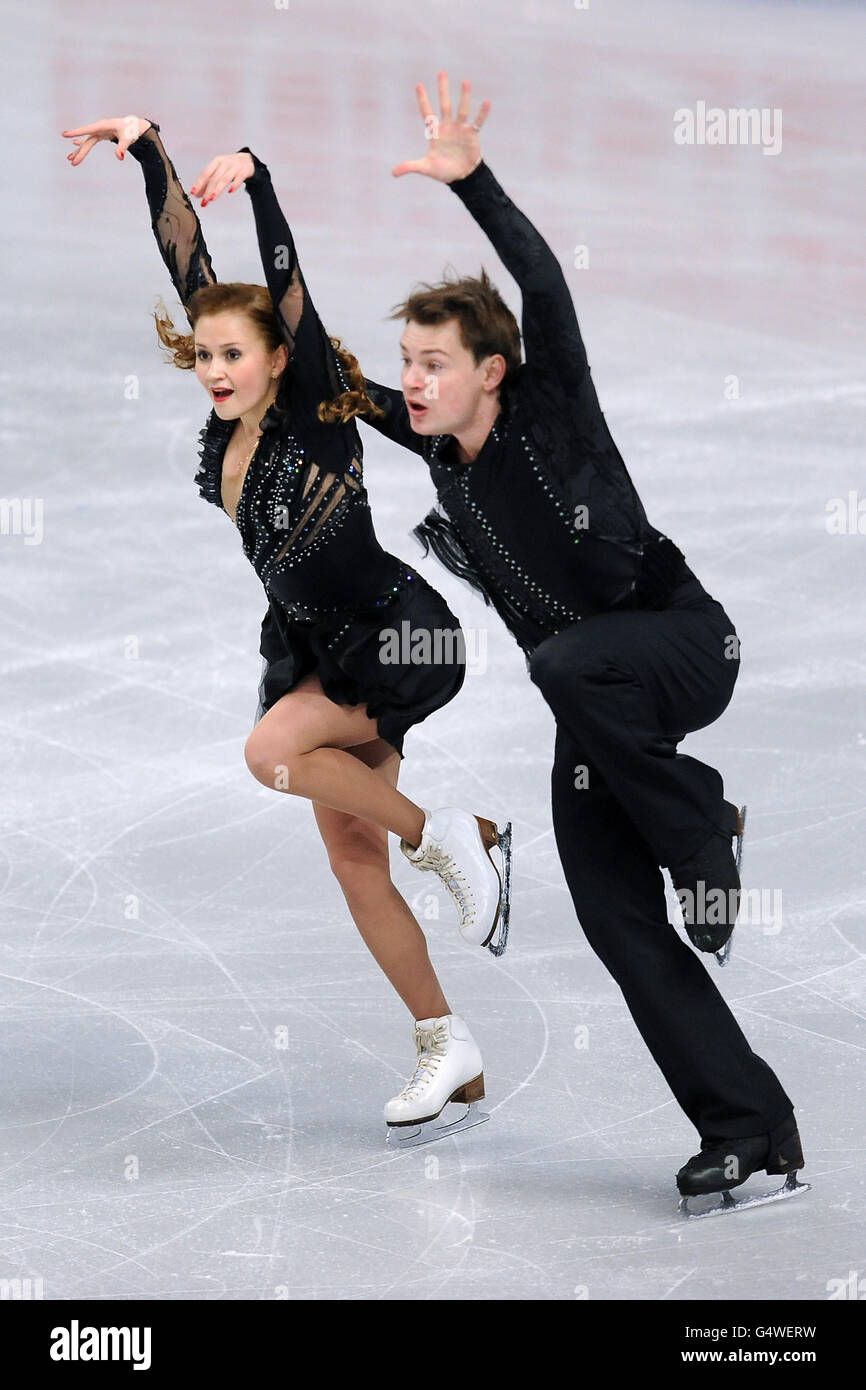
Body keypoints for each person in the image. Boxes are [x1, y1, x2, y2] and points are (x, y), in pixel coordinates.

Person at [358, 73, 803, 1202]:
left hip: (680, 645)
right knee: (614, 918)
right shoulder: (437, 455)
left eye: (433, 362)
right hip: (593, 703)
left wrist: (476, 185)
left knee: (562, 663)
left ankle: (699, 816)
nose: (411, 381)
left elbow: (542, 283)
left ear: (489, 372)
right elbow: (311, 365)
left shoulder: (551, 409)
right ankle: (748, 1124)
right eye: (405, 361)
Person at [61, 112, 513, 1143]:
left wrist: (261, 178)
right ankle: (448, 1043)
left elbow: (285, 278)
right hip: (312, 644)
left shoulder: (313, 403)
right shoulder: (230, 418)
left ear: (279, 356)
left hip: (394, 631)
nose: (214, 366)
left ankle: (448, 838)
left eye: (236, 350)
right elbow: (187, 255)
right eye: (205, 352)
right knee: (353, 860)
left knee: (271, 752)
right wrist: (145, 147)